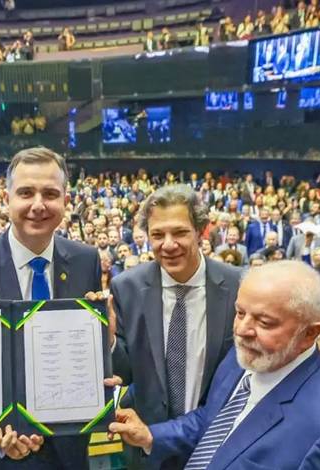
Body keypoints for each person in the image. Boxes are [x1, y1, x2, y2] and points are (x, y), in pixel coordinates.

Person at [108, 261, 320, 470]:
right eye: (240, 313)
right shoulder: (250, 355)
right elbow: (211, 419)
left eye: (264, 322)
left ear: (310, 333)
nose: (242, 330)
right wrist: (150, 435)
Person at [0, 147, 101, 469]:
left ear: (66, 202)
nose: (38, 205)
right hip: (2, 456)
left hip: (71, 452)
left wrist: (104, 345)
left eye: (50, 194)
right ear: (6, 198)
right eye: (26, 192)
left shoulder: (87, 260)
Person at [110, 184, 241, 470]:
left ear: (202, 231)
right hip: (145, 448)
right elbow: (122, 372)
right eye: (157, 234)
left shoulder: (237, 286)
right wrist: (107, 340)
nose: (168, 244)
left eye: (180, 232)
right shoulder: (126, 287)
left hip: (216, 446)